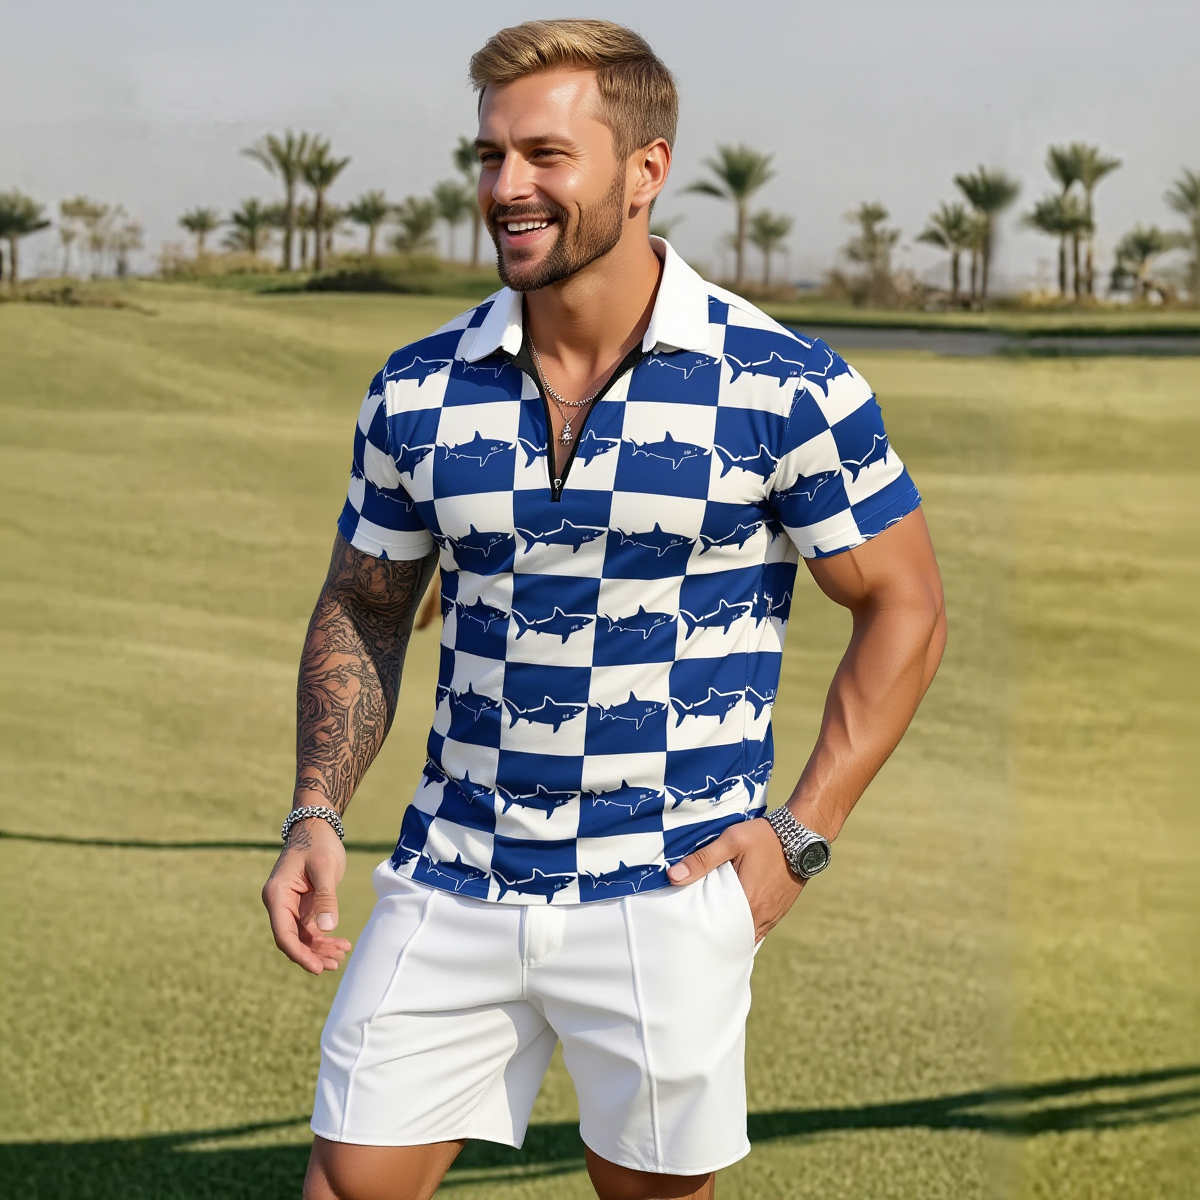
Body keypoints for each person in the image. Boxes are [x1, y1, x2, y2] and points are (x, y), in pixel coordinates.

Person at [261, 19, 946, 1200]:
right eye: (489, 156)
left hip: (665, 895)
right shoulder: (419, 388)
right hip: (452, 874)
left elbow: (907, 606)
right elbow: (366, 605)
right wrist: (315, 811)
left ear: (645, 171)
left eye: (545, 155)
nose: (506, 188)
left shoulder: (783, 384)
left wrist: (799, 835)